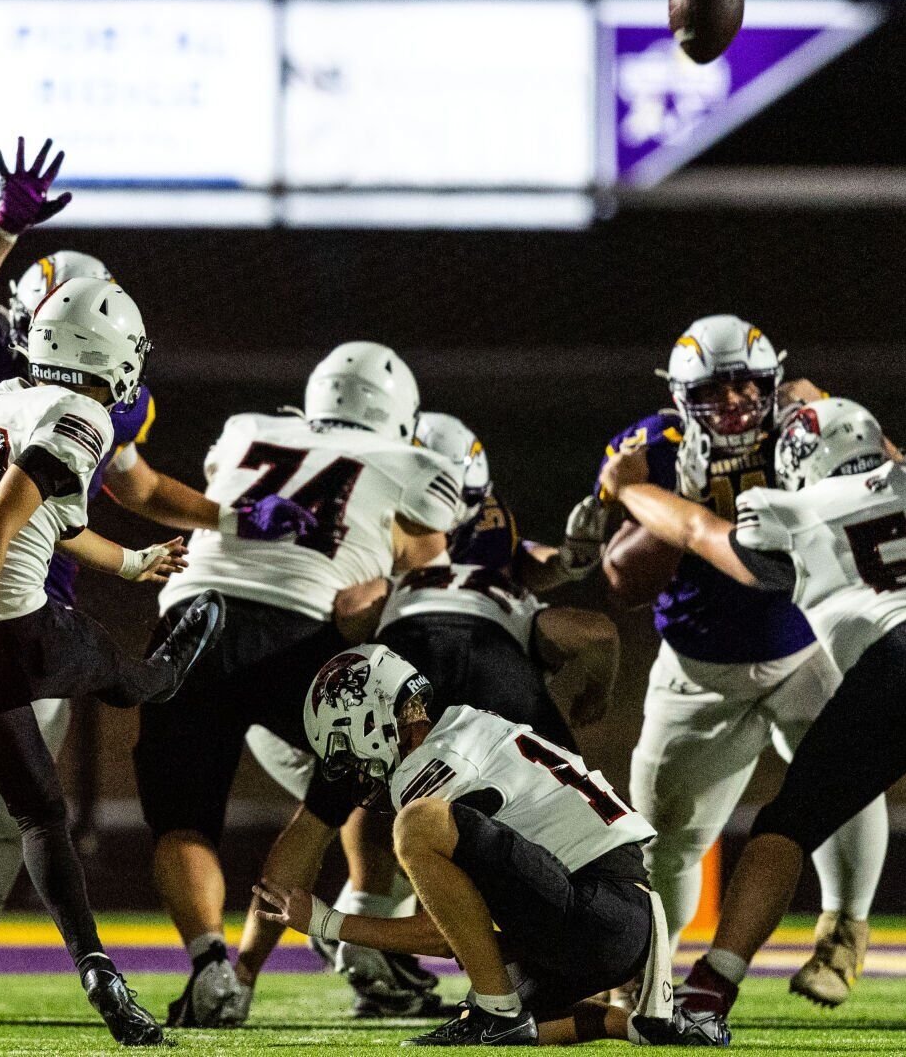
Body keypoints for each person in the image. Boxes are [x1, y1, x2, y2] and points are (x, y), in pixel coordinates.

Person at [0, 138, 293, 1023]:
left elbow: (135, 488)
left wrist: (232, 519)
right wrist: (3, 227)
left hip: (36, 598)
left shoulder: (91, 401)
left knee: (20, 804)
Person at [600, 398, 906, 1047]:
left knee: (787, 825)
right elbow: (893, 455)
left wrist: (631, 488)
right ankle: (834, 930)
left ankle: (710, 988)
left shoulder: (787, 510)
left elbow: (696, 530)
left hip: (897, 663)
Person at [235, 412, 621, 1018]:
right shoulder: (504, 579)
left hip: (404, 665)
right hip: (498, 665)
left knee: (326, 814)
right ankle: (604, 984)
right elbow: (593, 630)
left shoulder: (399, 551)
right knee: (564, 825)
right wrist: (592, 696)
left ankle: (239, 975)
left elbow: (351, 610)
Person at [136, 342, 465, 1027]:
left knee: (182, 820)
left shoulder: (246, 430)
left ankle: (210, 964)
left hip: (190, 619)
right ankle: (320, 941)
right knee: (347, 797)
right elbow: (429, 589)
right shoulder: (413, 465)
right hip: (303, 634)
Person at [589, 316, 887, 1006]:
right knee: (664, 839)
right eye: (712, 390)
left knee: (852, 781)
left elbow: (888, 480)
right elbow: (624, 580)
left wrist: (837, 420)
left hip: (807, 647)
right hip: (700, 670)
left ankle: (844, 930)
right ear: (679, 396)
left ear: (771, 380)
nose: (731, 402)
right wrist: (676, 503)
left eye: (745, 384)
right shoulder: (653, 446)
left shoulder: (807, 424)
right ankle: (647, 971)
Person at [256, 644, 670, 1047]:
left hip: (593, 914)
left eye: (348, 750)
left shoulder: (427, 768)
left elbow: (439, 935)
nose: (357, 770)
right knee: (489, 989)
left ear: (370, 721)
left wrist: (326, 923)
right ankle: (628, 1025)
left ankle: (498, 1014)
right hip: (624, 919)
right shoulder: (469, 725)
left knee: (417, 825)